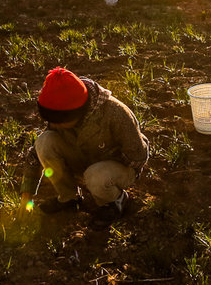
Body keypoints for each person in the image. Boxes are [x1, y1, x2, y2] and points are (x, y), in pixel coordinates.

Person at [19, 67, 149, 229]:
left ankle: (115, 201)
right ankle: (69, 198)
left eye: (60, 122)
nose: (55, 125)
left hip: (117, 166)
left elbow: (138, 155)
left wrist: (108, 169)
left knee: (96, 175)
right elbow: (35, 156)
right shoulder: (61, 114)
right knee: (44, 142)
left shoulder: (115, 113)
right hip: (86, 159)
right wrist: (27, 194)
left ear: (77, 113)